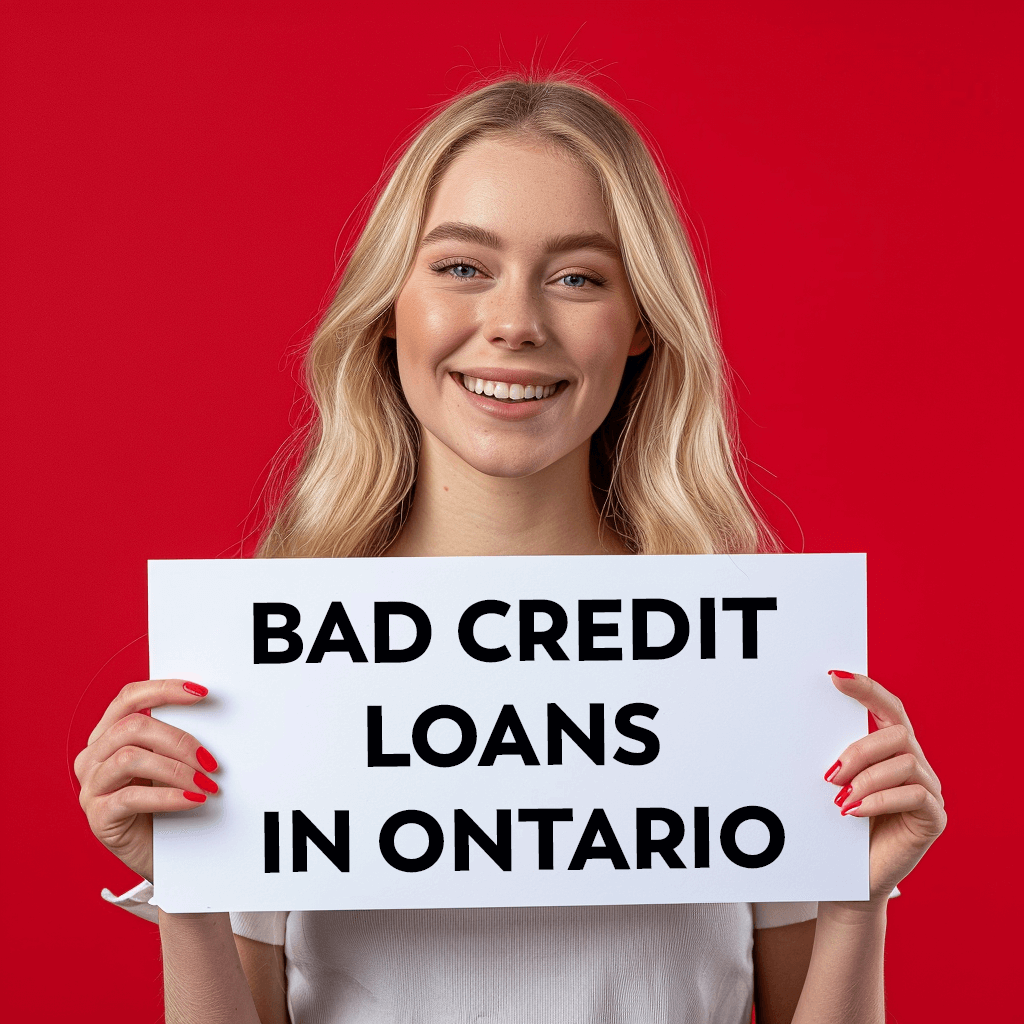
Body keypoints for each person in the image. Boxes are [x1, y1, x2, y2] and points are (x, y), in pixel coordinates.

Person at [75, 74, 945, 1024]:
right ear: (389, 306)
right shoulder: (274, 667)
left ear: (642, 321)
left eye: (577, 276)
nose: (517, 322)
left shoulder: (747, 666)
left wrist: (858, 899)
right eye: (461, 267)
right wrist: (188, 890)